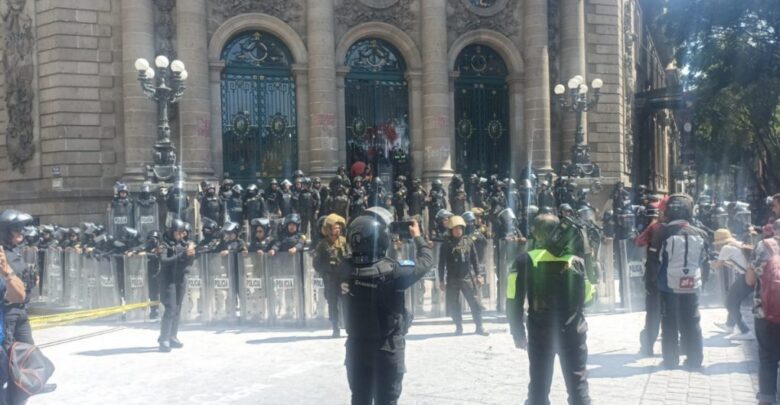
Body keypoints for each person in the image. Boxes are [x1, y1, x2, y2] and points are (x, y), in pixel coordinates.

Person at [340, 208, 432, 405]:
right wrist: (418, 238)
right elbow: (426, 262)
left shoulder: (344, 269)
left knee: (359, 398)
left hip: (357, 348)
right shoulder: (395, 271)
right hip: (387, 348)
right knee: (387, 400)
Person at [507, 213, 592, 405]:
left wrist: (517, 333)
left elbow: (513, 299)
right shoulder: (575, 260)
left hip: (540, 332)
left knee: (538, 386)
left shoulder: (523, 261)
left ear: (536, 234)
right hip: (573, 332)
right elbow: (588, 298)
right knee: (578, 386)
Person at [656, 194, 709, 369]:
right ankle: (695, 359)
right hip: (692, 284)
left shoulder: (662, 232)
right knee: (692, 321)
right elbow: (704, 261)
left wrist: (650, 283)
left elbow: (655, 261)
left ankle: (670, 360)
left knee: (669, 322)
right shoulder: (701, 233)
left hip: (668, 285)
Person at [747, 219, 780, 405]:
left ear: (774, 231)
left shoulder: (762, 246)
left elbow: (750, 280)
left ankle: (767, 400)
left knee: (768, 358)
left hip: (765, 312)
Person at [438, 215, 488, 335]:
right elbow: (441, 263)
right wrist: (441, 280)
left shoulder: (468, 241)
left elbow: (475, 259)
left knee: (475, 303)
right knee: (454, 304)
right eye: (455, 228)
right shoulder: (446, 244)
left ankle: (479, 326)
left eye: (460, 228)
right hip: (452, 279)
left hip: (467, 277)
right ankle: (458, 327)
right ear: (451, 230)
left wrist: (478, 275)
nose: (458, 230)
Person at [157, 219, 196, 352]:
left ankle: (172, 336)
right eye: (178, 233)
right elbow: (164, 261)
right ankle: (164, 339)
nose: (181, 236)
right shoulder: (163, 245)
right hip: (168, 281)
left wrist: (191, 254)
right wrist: (182, 255)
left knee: (178, 308)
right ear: (172, 232)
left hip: (180, 279)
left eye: (182, 233)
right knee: (170, 308)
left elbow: (189, 261)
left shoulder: (184, 244)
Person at [635, 197, 666, 356]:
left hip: (655, 276)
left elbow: (639, 241)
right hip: (675, 278)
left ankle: (647, 347)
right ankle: (673, 349)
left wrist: (652, 224)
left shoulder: (655, 227)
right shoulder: (684, 227)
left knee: (653, 313)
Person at [711, 228, 754, 340]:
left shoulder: (726, 248)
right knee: (735, 301)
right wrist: (724, 262)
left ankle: (745, 331)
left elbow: (717, 266)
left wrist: (711, 263)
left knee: (729, 303)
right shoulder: (737, 244)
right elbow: (737, 263)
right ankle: (729, 325)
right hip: (751, 276)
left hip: (744, 277)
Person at [313, 214, 349, 337]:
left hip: (343, 277)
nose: (337, 230)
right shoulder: (322, 244)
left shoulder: (344, 241)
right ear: (328, 229)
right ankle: (335, 326)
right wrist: (325, 271)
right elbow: (316, 263)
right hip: (330, 278)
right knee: (332, 302)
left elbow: (350, 255)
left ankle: (348, 325)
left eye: (339, 227)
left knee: (346, 301)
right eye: (334, 227)